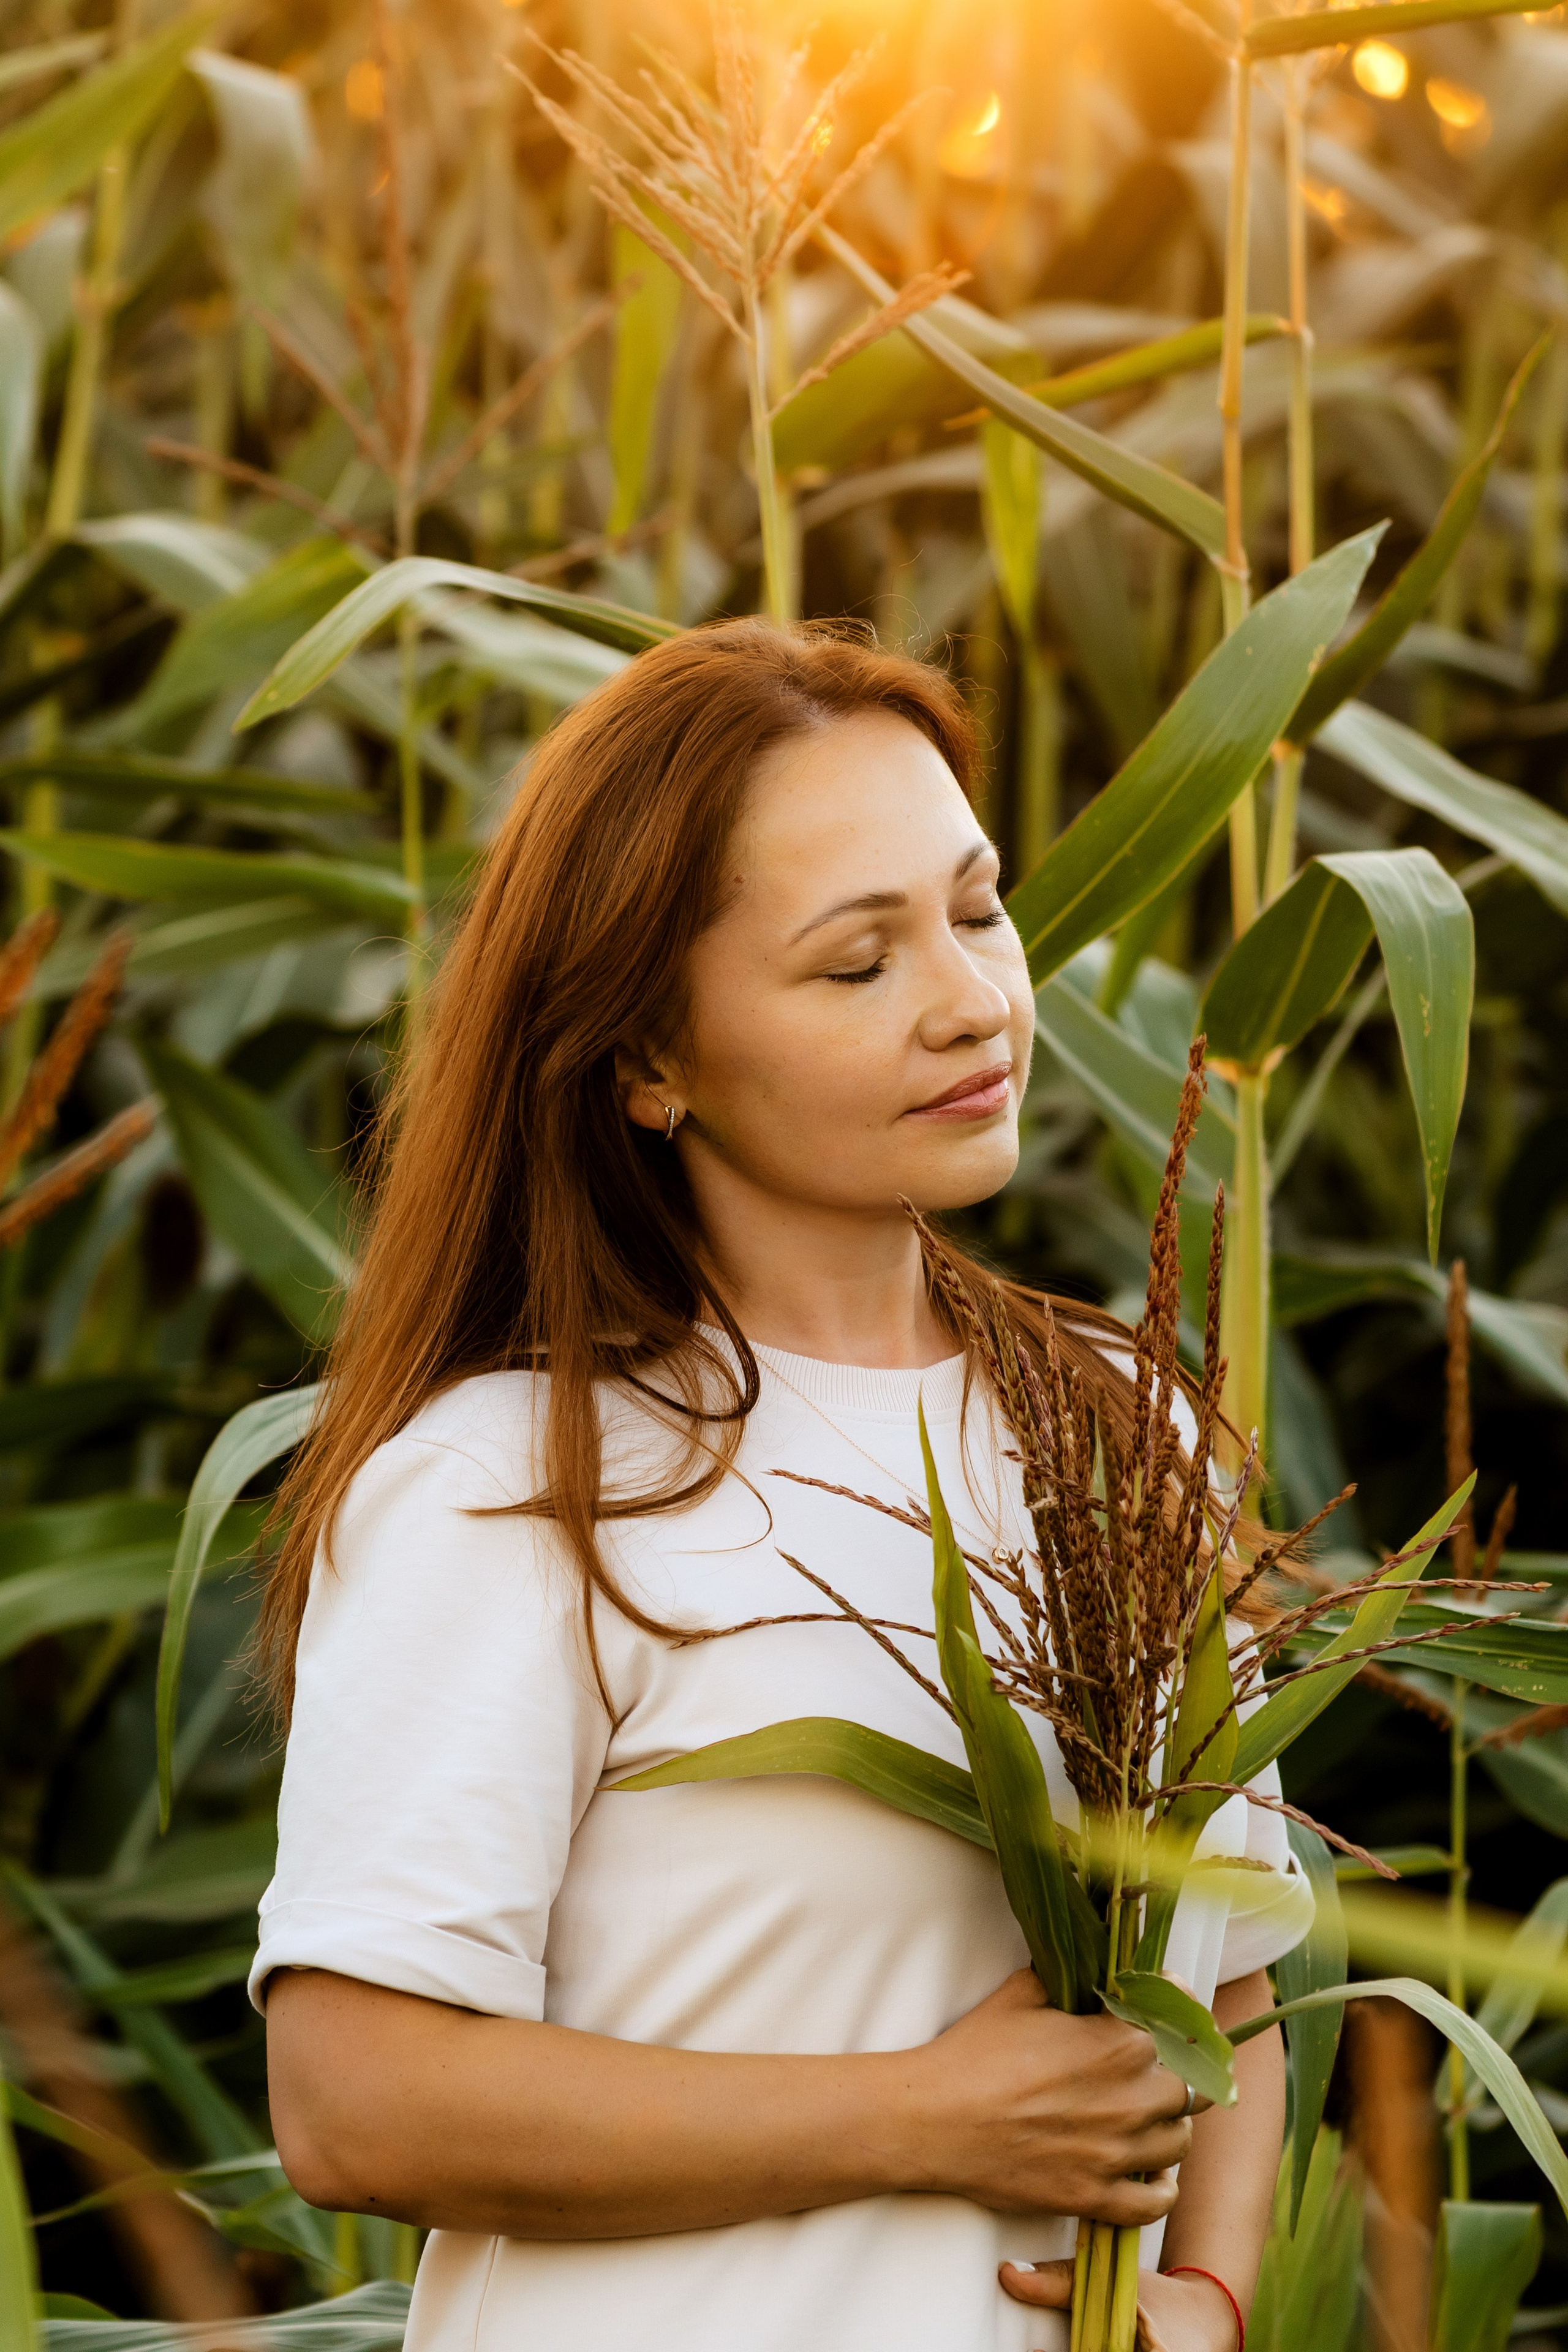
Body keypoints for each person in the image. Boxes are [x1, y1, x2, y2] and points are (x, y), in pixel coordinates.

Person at [255, 619, 1311, 2352]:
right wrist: (922, 2116)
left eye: (977, 909)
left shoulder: (1127, 1442)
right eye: (854, 966)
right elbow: (357, 2102)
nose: (973, 1000)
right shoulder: (516, 1489)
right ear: (649, 1063)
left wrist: (1209, 2294)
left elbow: (1236, 1980)